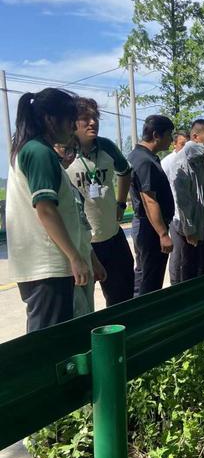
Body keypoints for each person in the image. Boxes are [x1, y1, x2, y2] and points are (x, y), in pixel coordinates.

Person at [6, 88, 90, 332]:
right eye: (70, 119)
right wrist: (74, 257)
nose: (73, 127)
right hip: (48, 266)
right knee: (49, 341)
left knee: (52, 338)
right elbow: (46, 210)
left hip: (44, 265)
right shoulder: (39, 152)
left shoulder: (31, 149)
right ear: (50, 119)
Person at [65, 97, 134, 306]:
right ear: (72, 122)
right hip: (83, 242)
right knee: (82, 304)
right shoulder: (64, 152)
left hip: (112, 235)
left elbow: (125, 172)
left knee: (123, 295)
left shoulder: (107, 147)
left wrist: (121, 203)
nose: (92, 122)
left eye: (95, 117)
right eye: (85, 118)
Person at [55, 141, 106, 317]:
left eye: (74, 150)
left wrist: (93, 261)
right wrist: (74, 258)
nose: (70, 155)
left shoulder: (69, 186)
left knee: (86, 315)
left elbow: (82, 228)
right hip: (67, 267)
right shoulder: (53, 181)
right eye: (65, 149)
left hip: (83, 263)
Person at [128, 115, 175, 295]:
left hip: (148, 226)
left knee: (144, 274)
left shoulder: (141, 156)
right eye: (168, 135)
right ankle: (146, 309)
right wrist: (163, 234)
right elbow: (149, 199)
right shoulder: (144, 161)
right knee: (151, 279)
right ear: (156, 135)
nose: (171, 140)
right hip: (150, 228)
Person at [166, 119, 204, 281]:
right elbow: (182, 199)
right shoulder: (180, 162)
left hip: (202, 221)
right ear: (195, 137)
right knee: (189, 267)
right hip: (189, 225)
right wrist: (189, 230)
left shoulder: (202, 159)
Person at [161, 128, 190, 284]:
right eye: (182, 144)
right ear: (174, 144)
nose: (184, 148)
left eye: (187, 144)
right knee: (178, 253)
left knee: (189, 254)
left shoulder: (191, 160)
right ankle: (175, 283)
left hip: (190, 215)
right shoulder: (167, 163)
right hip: (175, 215)